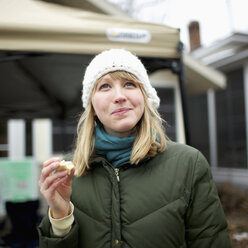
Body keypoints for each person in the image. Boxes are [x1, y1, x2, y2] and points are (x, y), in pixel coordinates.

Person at [38, 49, 231, 248]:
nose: (119, 96)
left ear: (144, 96)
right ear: (92, 106)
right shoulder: (69, 174)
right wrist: (61, 217)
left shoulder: (189, 164)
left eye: (129, 84)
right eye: (105, 86)